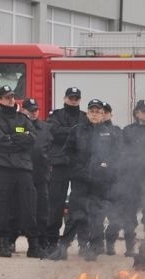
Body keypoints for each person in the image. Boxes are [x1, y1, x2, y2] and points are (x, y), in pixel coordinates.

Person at [48, 99, 121, 261]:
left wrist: (106, 167)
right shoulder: (77, 130)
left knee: (96, 215)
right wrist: (77, 169)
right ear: (87, 113)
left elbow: (117, 156)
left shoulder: (110, 133)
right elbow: (67, 152)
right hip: (80, 180)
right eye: (92, 111)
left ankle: (93, 248)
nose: (95, 114)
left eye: (98, 112)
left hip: (99, 181)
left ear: (103, 115)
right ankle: (63, 247)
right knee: (75, 214)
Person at [0, 84, 37, 258]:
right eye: (7, 97)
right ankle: (4, 243)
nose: (11, 100)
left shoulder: (23, 119)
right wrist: (18, 139)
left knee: (28, 206)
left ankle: (33, 243)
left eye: (12, 97)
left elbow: (32, 138)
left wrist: (11, 139)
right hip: (3, 168)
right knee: (2, 206)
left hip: (23, 168)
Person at [109, 99, 145, 257]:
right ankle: (129, 247)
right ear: (137, 113)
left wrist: (142, 163)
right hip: (130, 178)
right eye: (144, 111)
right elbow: (122, 152)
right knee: (128, 213)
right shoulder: (127, 131)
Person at [45, 87, 86, 252]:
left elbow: (86, 136)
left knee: (79, 205)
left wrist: (67, 132)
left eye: (76, 98)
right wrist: (75, 131)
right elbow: (53, 132)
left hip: (78, 165)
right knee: (55, 205)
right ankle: (51, 241)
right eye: (71, 98)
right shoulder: (56, 115)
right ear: (65, 98)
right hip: (60, 164)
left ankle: (80, 243)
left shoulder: (84, 116)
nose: (73, 100)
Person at [21, 98, 52, 257]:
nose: (33, 113)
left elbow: (52, 149)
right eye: (30, 110)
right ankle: (19, 241)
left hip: (41, 175)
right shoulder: (18, 126)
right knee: (25, 211)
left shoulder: (46, 128)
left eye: (35, 110)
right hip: (23, 175)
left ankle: (42, 242)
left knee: (42, 211)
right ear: (23, 110)